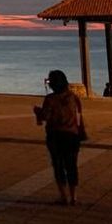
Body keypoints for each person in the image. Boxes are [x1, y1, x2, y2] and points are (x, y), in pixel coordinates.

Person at [33, 69, 84, 206]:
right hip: (73, 136)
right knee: (71, 166)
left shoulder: (50, 99)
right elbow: (79, 116)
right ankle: (74, 196)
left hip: (56, 136)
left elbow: (45, 117)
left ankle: (63, 196)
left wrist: (38, 112)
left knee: (58, 165)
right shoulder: (74, 97)